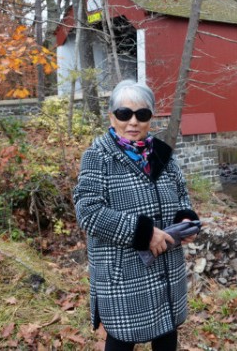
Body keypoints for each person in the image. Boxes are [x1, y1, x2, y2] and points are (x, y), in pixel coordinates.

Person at [74, 79, 200, 351]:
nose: (133, 122)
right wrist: (143, 233)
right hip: (124, 273)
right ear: (112, 116)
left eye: (141, 115)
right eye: (124, 113)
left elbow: (182, 196)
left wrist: (185, 220)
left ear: (150, 118)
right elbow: (88, 211)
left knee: (167, 336)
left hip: (167, 269)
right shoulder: (97, 157)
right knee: (121, 341)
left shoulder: (163, 155)